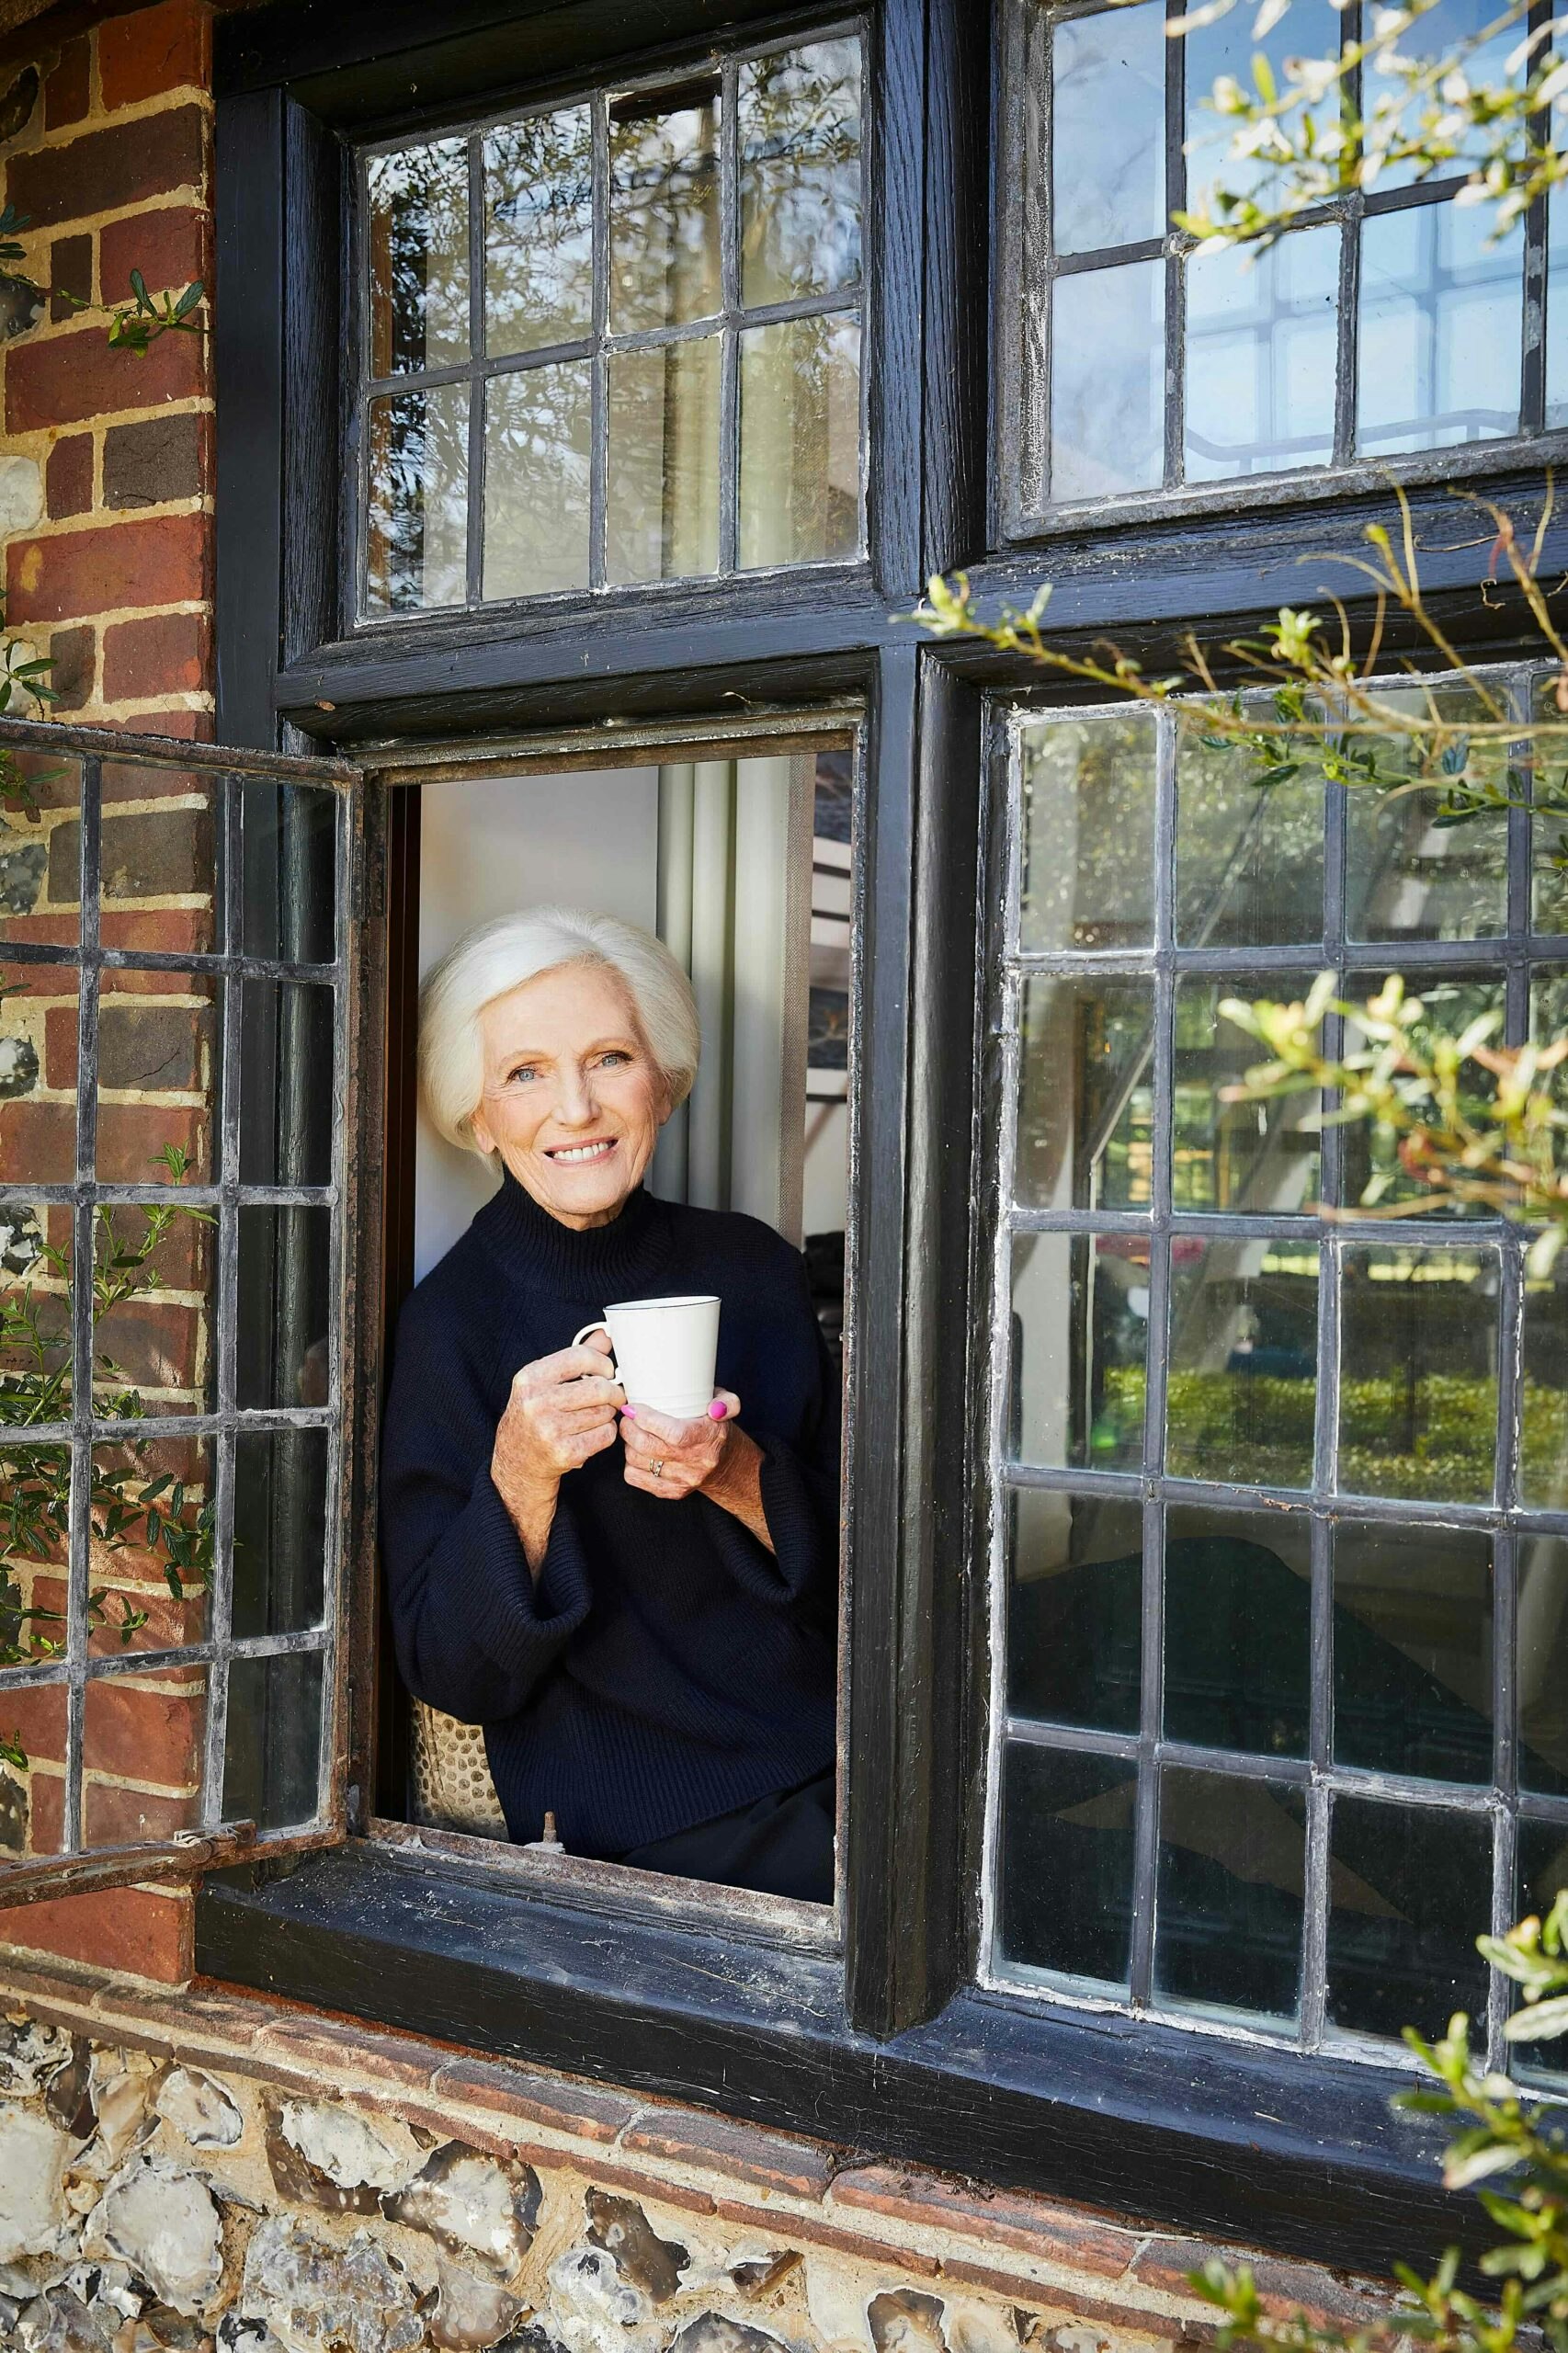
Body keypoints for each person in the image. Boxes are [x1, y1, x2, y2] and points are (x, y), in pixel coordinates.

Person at [380, 907, 839, 1903]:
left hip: (850, 1757)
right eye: (525, 1073)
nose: (575, 1108)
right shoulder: (447, 1325)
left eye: (608, 1058)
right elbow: (450, 1672)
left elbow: (874, 1577)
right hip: (647, 1822)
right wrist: (520, 1474)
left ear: (663, 1083)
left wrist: (735, 1472)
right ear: (476, 1114)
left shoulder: (751, 1267)